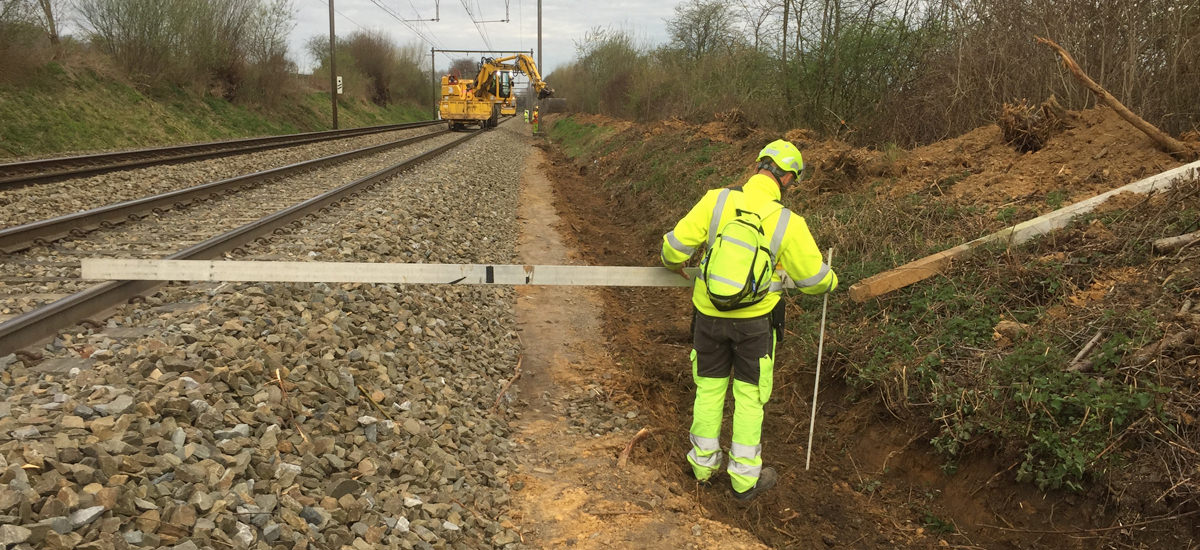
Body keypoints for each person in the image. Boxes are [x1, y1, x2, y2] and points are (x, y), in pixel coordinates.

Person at [660, 139, 837, 502]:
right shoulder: (788, 222)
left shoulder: (717, 200)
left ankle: (703, 468)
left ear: (758, 166)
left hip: (708, 316)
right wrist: (832, 278)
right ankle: (743, 482)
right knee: (749, 398)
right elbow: (815, 281)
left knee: (709, 389)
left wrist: (673, 263)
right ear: (789, 178)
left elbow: (672, 249)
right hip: (755, 325)